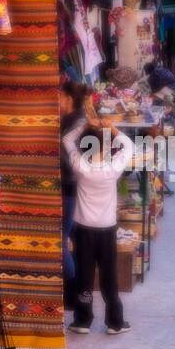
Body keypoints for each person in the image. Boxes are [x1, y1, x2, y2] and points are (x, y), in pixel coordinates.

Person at [63, 115, 134, 336]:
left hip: (83, 229)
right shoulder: (112, 169)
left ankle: (82, 321)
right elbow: (129, 146)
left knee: (84, 273)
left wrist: (84, 126)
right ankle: (115, 322)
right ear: (106, 146)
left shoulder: (80, 165)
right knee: (108, 275)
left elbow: (66, 140)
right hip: (106, 230)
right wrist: (112, 128)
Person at [58, 80, 89, 311]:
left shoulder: (76, 124)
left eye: (60, 97)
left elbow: (70, 159)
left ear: (69, 98)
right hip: (69, 186)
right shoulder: (72, 121)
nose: (57, 101)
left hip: (70, 187)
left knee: (62, 240)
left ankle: (73, 291)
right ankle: (75, 291)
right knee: (69, 238)